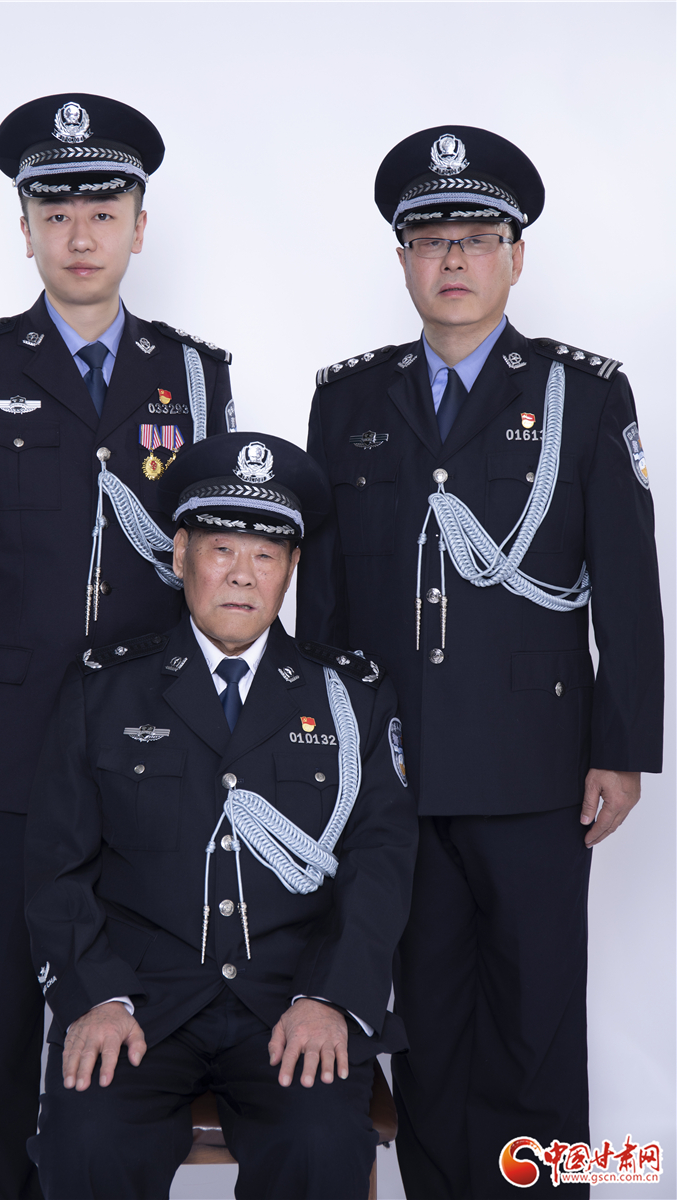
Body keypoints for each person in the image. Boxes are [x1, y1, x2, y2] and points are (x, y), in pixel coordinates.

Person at [296, 125, 663, 1198]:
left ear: (515, 257)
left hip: (534, 770)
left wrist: (622, 748)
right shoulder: (348, 401)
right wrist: (318, 758)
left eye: (476, 238)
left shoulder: (582, 393)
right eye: (429, 240)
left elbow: (627, 586)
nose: (452, 259)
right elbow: (324, 603)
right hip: (394, 774)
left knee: (535, 1025)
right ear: (402, 259)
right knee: (424, 1026)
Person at [0, 92, 234, 1199]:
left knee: (125, 988)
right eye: (57, 214)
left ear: (140, 226)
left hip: (149, 742)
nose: (80, 235)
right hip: (2, 738)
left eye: (102, 212)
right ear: (26, 230)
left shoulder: (193, 377)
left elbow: (218, 566)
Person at [23, 431, 417, 1199]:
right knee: (87, 1142)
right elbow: (55, 865)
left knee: (320, 1145)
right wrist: (94, 996)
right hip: (139, 1000)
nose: (242, 574)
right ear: (180, 557)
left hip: (289, 998)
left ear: (291, 568)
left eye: (266, 555)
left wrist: (331, 997)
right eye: (222, 550)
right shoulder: (103, 688)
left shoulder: (353, 697)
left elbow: (381, 863)